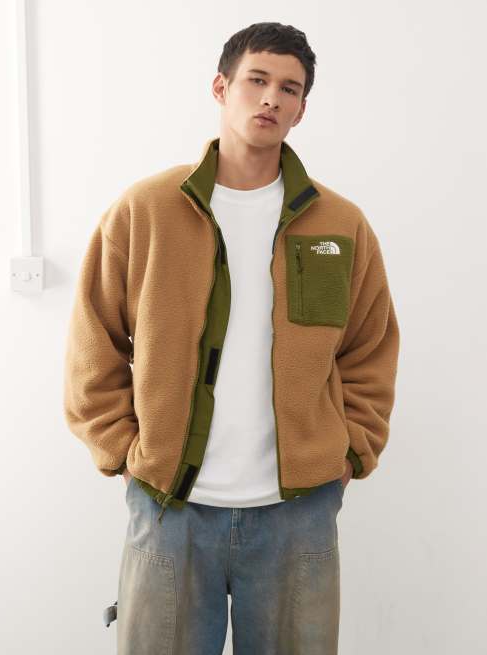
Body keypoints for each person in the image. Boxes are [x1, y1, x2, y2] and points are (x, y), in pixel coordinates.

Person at [63, 21, 400, 655]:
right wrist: (123, 451)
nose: (271, 98)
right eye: (257, 80)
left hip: (297, 514)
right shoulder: (146, 210)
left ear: (301, 109)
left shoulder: (340, 223)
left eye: (290, 89)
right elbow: (94, 339)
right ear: (221, 87)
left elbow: (370, 348)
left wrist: (350, 452)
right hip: (171, 507)